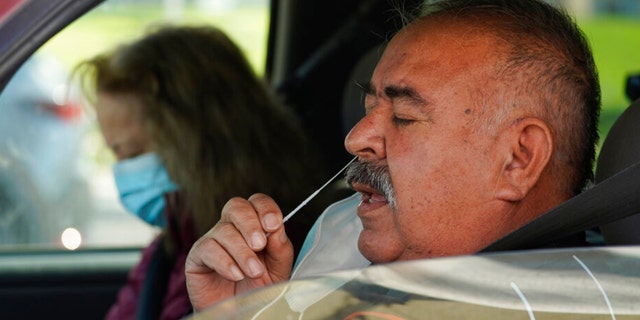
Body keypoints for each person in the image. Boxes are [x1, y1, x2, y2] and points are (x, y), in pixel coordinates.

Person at [184, 0, 601, 312]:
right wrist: (251, 312)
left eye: (403, 117)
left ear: (518, 159)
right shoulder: (339, 239)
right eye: (369, 110)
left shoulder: (578, 306)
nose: (356, 139)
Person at [74, 25, 327, 319]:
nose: (123, 173)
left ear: (198, 141)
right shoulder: (171, 247)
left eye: (133, 154)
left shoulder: (277, 252)